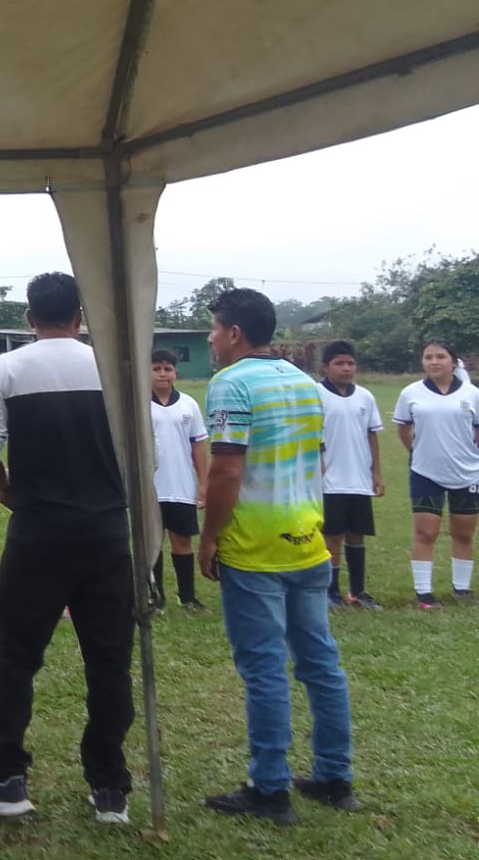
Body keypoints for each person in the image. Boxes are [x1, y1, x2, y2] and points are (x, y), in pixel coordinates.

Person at [0, 273, 133, 825]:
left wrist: (6, 485)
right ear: (80, 317)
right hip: (106, 535)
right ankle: (110, 787)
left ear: (30, 319)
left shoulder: (8, 368)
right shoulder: (112, 367)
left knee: (15, 656)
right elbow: (142, 451)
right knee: (109, 663)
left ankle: (5, 778)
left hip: (37, 535)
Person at [199, 288, 355, 822]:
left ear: (234, 333)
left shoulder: (231, 383)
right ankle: (335, 776)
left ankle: (269, 788)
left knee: (264, 667)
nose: (211, 339)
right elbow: (316, 457)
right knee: (320, 662)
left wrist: (210, 537)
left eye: (214, 329)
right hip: (308, 542)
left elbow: (226, 470)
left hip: (255, 549)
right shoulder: (305, 382)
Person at [392, 339, 479, 609]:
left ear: (453, 362)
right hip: (425, 473)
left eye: (440, 356)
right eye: (428, 357)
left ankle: (461, 589)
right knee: (425, 533)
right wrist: (416, 451)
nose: (434, 362)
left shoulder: (472, 393)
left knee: (463, 533)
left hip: (467, 473)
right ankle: (424, 594)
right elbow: (403, 428)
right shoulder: (410, 393)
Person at [316, 341, 385, 609]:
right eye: (339, 363)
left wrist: (376, 472)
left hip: (359, 478)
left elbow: (371, 435)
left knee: (357, 534)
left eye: (350, 363)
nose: (346, 368)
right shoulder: (316, 394)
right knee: (332, 535)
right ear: (326, 367)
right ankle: (330, 591)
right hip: (329, 480)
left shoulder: (365, 397)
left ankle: (358, 592)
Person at [149, 349, 209, 612]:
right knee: (152, 544)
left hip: (181, 485)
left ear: (175, 373)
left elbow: (198, 447)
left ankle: (187, 598)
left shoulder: (188, 405)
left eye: (168, 369)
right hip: (150, 488)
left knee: (182, 541)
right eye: (156, 369)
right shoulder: (138, 404)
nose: (162, 374)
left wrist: (204, 483)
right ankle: (155, 597)